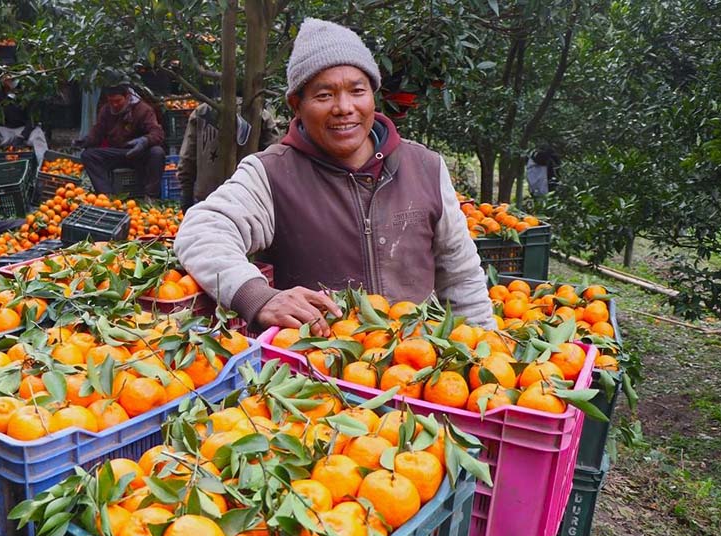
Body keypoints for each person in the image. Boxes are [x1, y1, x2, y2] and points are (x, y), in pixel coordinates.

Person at [174, 19, 495, 334]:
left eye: (357, 90)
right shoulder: (271, 174)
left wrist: (485, 350)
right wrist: (257, 296)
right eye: (324, 95)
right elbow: (202, 231)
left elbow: (461, 276)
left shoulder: (425, 167)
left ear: (373, 95)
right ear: (296, 105)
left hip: (417, 367)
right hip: (311, 374)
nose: (344, 107)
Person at [177, 99, 282, 211]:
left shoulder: (201, 112)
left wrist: (186, 194)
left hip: (208, 199)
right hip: (248, 199)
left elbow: (187, 158)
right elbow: (274, 162)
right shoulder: (260, 115)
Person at [76, 84, 166, 199]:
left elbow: (158, 133)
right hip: (119, 152)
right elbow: (98, 132)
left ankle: (151, 196)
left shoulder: (143, 110)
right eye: (111, 101)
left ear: (127, 97)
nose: (115, 105)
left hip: (139, 153)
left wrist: (144, 141)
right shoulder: (106, 110)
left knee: (157, 153)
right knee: (88, 155)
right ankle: (106, 195)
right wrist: (86, 140)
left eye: (118, 101)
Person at [0, 76, 49, 165]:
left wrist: (23, 135)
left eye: (11, 78)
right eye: (6, 78)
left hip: (24, 128)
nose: (9, 80)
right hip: (5, 130)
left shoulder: (26, 94)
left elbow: (33, 118)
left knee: (38, 136)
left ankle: (44, 168)